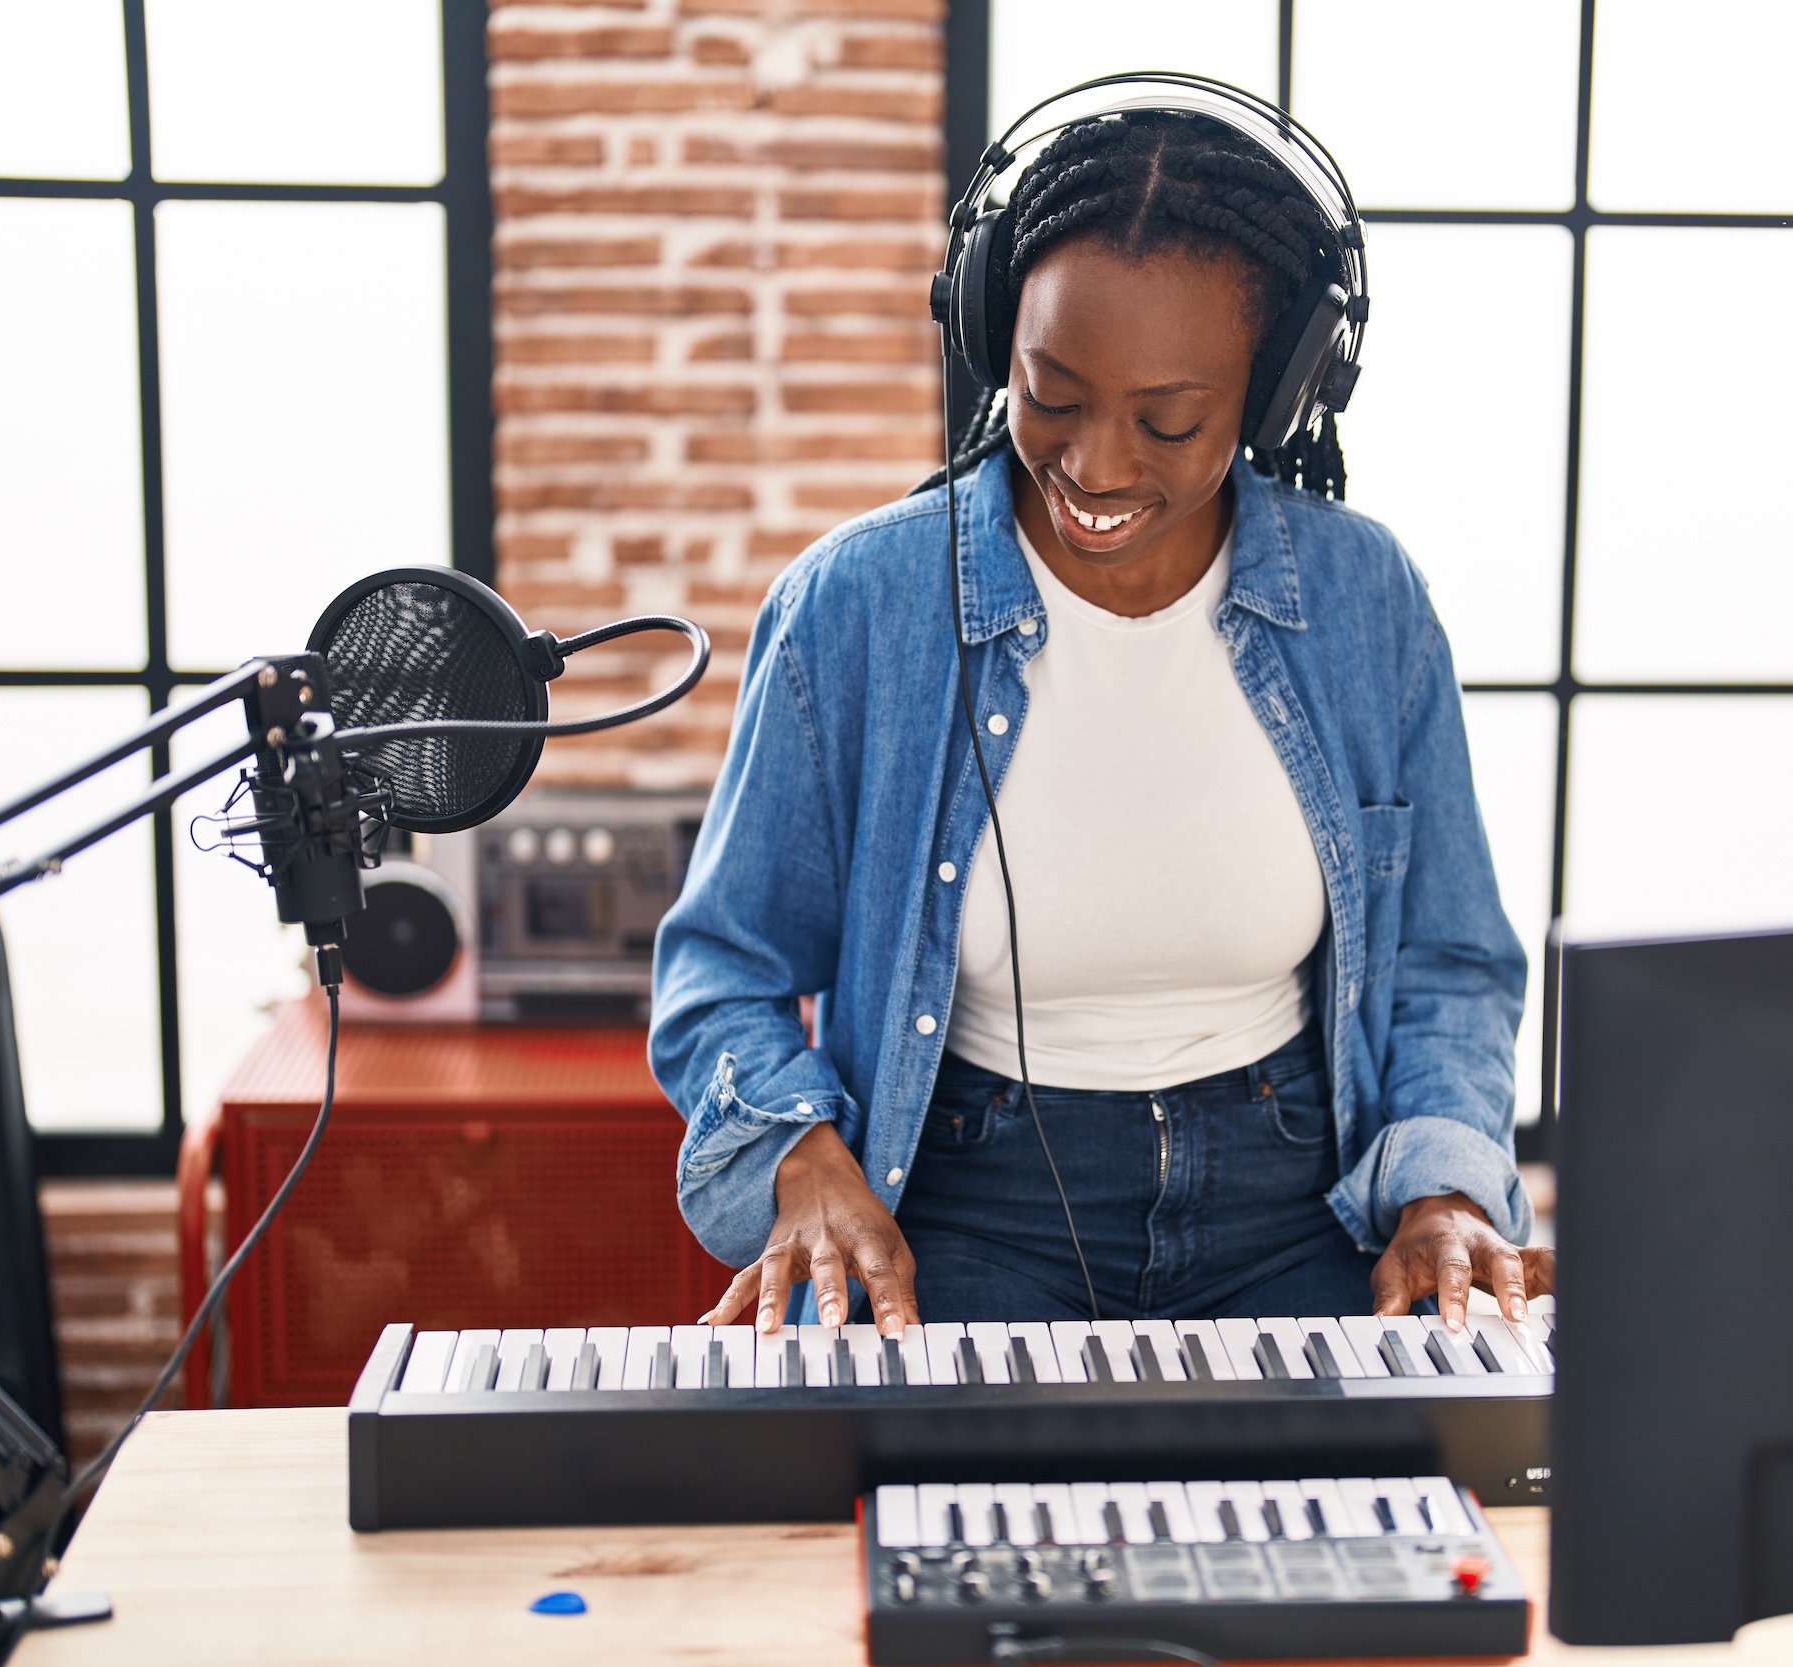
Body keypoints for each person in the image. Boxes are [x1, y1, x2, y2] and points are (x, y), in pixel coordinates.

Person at [650, 104, 1552, 1340]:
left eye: (1167, 420)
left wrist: (1443, 1183)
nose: (1094, 464)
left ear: (1279, 390)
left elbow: (1450, 960)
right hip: (965, 1202)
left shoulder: (1361, 597)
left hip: (1296, 1202)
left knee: (1382, 1513)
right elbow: (723, 971)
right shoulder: (857, 604)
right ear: (988, 335)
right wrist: (796, 1148)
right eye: (1049, 394)